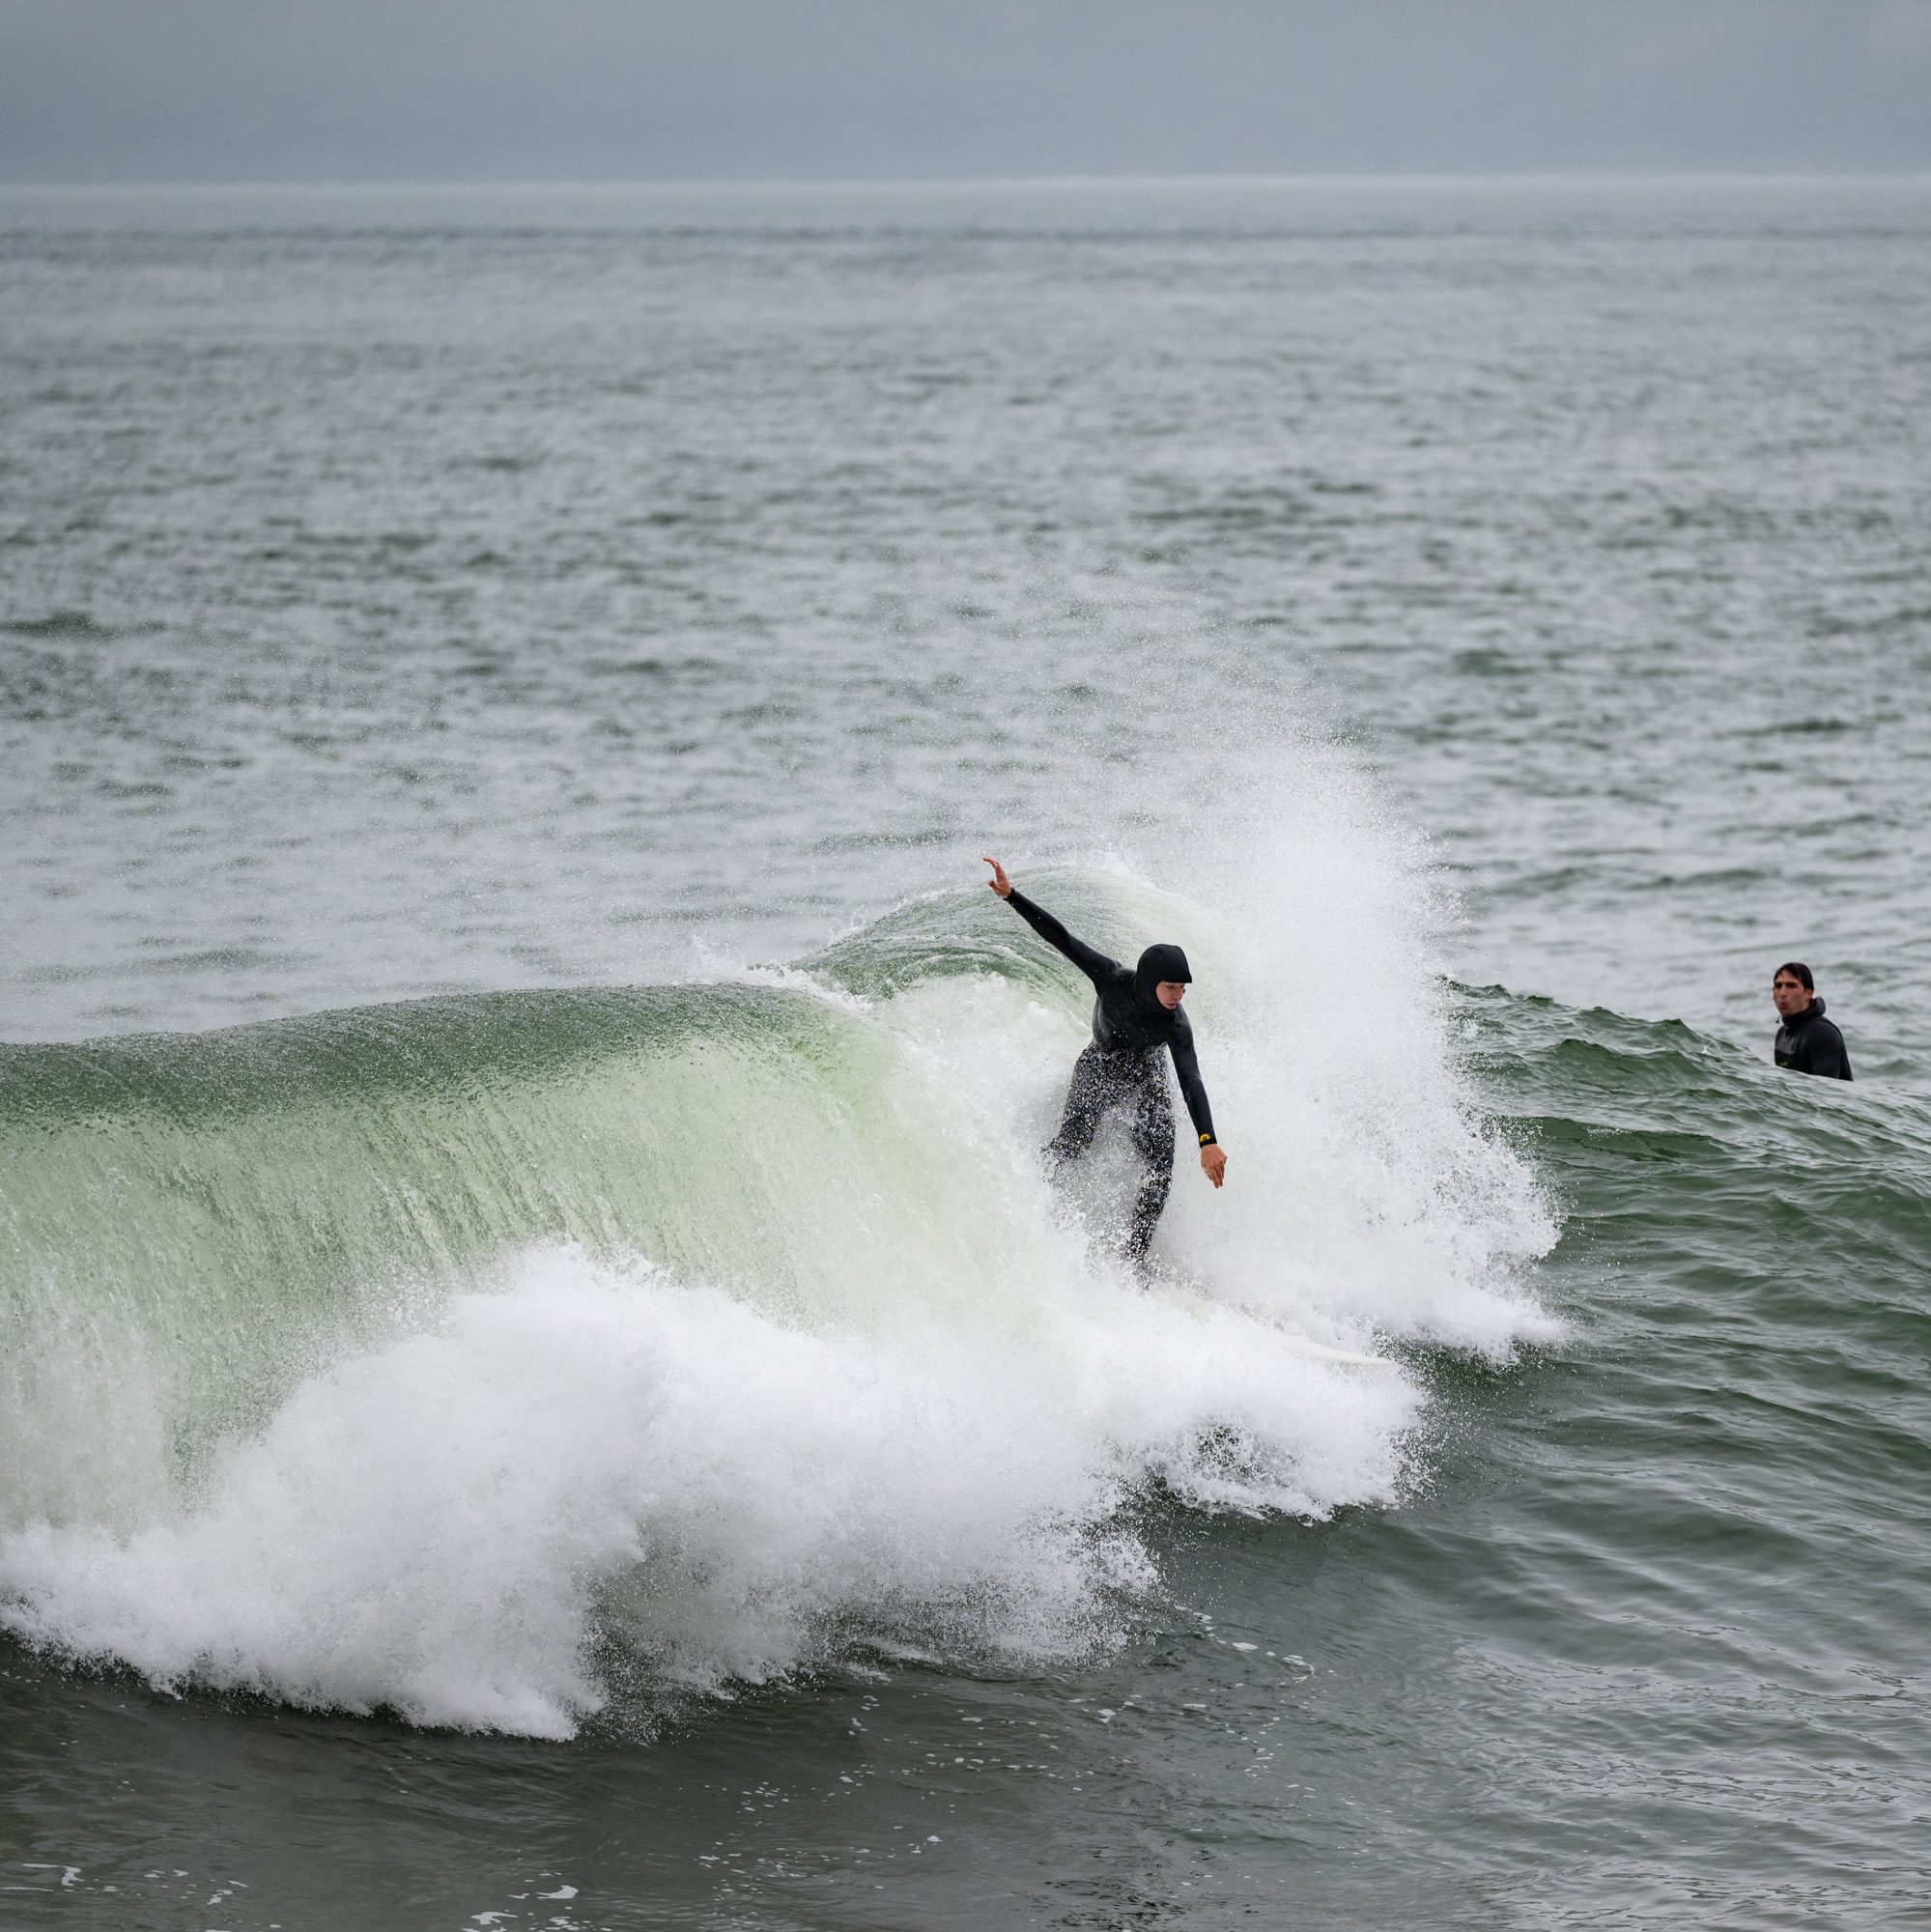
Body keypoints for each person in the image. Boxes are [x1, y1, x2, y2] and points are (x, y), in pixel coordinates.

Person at [983, 857, 1226, 1263]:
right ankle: (1021, 1204)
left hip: (1147, 1078)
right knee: (1073, 1143)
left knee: (1159, 1172)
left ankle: (1135, 1258)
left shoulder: (1176, 1025)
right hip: (1099, 1067)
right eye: (1170, 987)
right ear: (1150, 981)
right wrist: (1012, 897)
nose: (1177, 996)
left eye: (1182, 989)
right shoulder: (1111, 978)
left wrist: (1208, 1141)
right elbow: (1060, 937)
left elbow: (1190, 1080)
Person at [1772, 962, 1852, 1081]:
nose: (1783, 993)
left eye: (1791, 986)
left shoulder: (1822, 1033)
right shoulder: (1782, 1034)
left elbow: (1825, 1091)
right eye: (1778, 986)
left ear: (1808, 994)